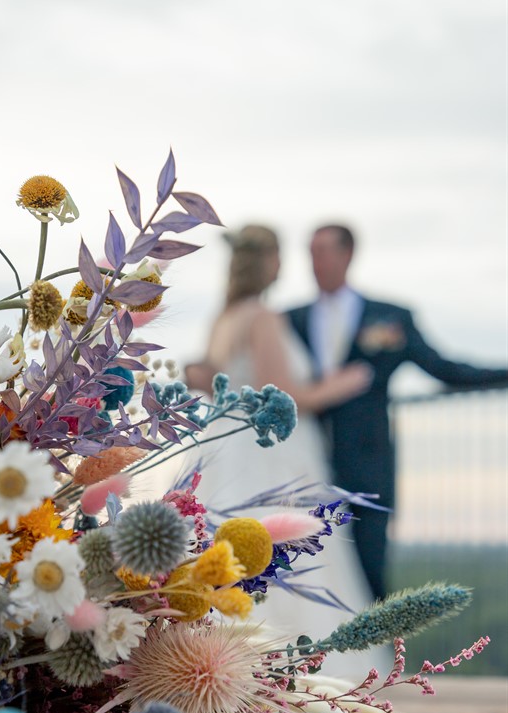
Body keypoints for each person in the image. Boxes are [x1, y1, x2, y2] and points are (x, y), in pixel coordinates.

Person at [185, 225, 388, 678]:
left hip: (228, 450)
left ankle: (229, 660)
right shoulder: (261, 318)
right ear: (268, 262)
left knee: (234, 547)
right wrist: (344, 383)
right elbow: (284, 395)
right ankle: (286, 661)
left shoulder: (225, 316)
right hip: (271, 454)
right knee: (289, 548)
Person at [287, 224, 508, 600]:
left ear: (348, 254)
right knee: (306, 575)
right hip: (302, 466)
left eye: (323, 251)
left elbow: (445, 369)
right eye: (310, 252)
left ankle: (380, 658)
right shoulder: (291, 319)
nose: (315, 261)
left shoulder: (390, 317)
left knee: (371, 577)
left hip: (369, 467)